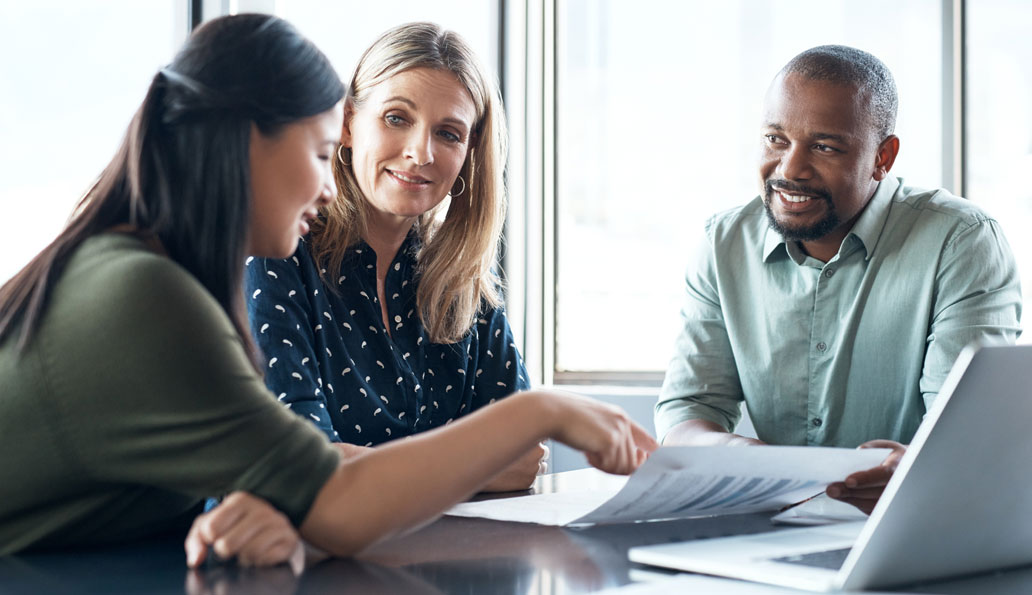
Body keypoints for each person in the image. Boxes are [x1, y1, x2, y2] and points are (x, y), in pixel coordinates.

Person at [0, 13, 655, 566]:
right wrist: (536, 410)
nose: (325, 184)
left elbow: (297, 494)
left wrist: (296, 501)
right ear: (246, 143)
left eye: (450, 133)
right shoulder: (147, 293)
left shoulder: (143, 271)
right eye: (319, 153)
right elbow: (331, 500)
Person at [655, 45, 1022, 513]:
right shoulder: (723, 242)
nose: (790, 170)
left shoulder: (962, 241)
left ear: (882, 157)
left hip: (916, 521)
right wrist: (744, 458)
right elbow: (687, 412)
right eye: (776, 139)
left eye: (825, 147)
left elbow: (965, 430)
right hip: (774, 529)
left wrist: (911, 469)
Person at [244, 22, 540, 492]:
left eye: (448, 133)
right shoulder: (278, 254)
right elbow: (304, 463)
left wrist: (375, 467)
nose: (420, 153)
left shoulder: (462, 280)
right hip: (288, 558)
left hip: (445, 557)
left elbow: (525, 455)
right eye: (396, 118)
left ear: (469, 154)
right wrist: (471, 463)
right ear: (347, 124)